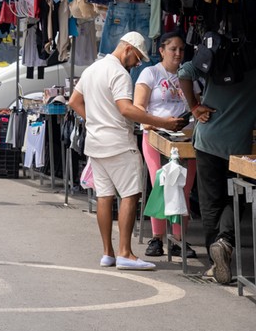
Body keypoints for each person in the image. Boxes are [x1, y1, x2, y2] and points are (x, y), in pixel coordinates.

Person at [68, 32, 186, 271]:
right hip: (119, 144)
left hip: (96, 142)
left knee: (104, 197)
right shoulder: (119, 73)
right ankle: (125, 253)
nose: (137, 64)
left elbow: (74, 101)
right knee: (130, 195)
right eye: (137, 58)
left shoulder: (93, 69)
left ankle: (108, 253)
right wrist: (162, 122)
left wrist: (95, 121)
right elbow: (126, 109)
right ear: (128, 49)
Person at [179, 43, 256, 284]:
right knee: (236, 197)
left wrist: (193, 106)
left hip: (208, 138)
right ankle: (225, 242)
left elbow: (184, 73)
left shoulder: (215, 57)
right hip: (239, 145)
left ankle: (216, 262)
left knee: (211, 201)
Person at [133, 31, 197, 259]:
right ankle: (157, 238)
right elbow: (138, 107)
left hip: (186, 141)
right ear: (161, 50)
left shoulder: (189, 75)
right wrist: (158, 123)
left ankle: (180, 240)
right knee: (160, 183)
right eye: (173, 49)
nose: (178, 53)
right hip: (156, 138)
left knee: (184, 189)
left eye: (181, 49)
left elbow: (197, 106)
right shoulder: (149, 73)